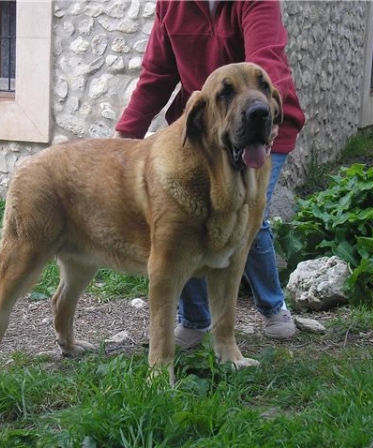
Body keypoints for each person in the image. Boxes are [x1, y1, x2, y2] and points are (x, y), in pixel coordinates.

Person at [115, 0, 306, 349]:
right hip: (205, 128)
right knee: (184, 219)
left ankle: (272, 306)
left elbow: (266, 58)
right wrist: (124, 138)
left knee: (248, 217)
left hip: (262, 124)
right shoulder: (171, 5)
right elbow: (156, 75)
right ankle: (195, 319)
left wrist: (262, 111)